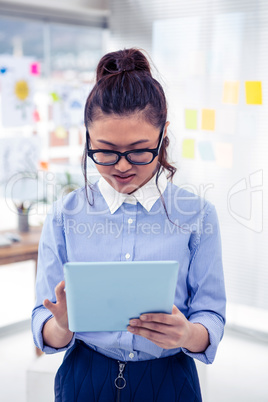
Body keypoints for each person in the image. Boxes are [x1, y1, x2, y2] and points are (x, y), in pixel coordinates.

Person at [32, 48, 226, 402]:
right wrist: (61, 325)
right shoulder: (64, 215)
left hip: (169, 380)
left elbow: (211, 315)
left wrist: (187, 335)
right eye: (105, 151)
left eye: (138, 150)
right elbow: (42, 321)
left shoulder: (197, 214)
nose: (122, 166)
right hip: (84, 378)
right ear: (88, 138)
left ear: (163, 134)